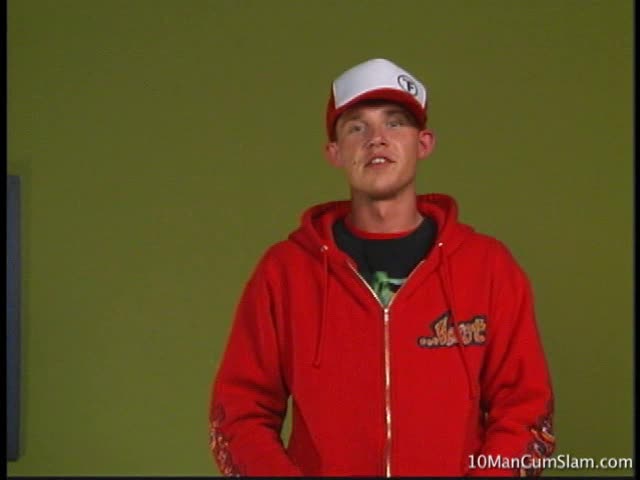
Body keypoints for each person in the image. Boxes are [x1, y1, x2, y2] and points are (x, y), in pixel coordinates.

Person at [208, 58, 555, 477]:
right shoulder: (284, 272)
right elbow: (239, 414)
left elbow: (525, 410)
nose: (377, 139)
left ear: (423, 143)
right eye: (357, 127)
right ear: (334, 152)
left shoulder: (488, 267)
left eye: (395, 123)